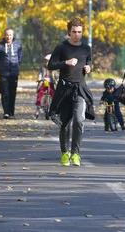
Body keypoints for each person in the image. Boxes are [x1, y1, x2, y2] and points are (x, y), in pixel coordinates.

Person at [47, 17, 95, 167]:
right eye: (74, 32)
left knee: (79, 120)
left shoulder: (86, 48)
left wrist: (89, 67)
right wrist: (65, 63)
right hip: (64, 90)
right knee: (65, 124)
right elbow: (51, 65)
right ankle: (65, 153)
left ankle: (75, 153)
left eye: (79, 32)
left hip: (79, 89)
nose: (77, 34)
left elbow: (89, 62)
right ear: (69, 32)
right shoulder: (61, 47)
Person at [0, 28, 22, 119]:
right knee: (5, 92)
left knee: (12, 92)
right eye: (7, 35)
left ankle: (11, 111)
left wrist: (16, 66)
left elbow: (20, 58)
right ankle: (6, 112)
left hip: (14, 73)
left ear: (13, 36)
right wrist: (1, 67)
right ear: (4, 36)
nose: (8, 36)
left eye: (10, 35)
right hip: (3, 73)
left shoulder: (18, 45)